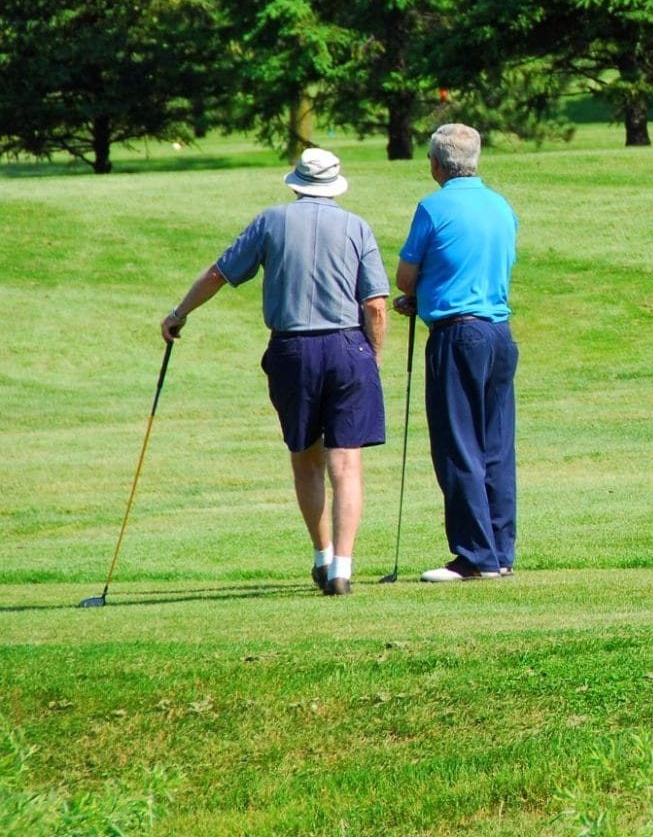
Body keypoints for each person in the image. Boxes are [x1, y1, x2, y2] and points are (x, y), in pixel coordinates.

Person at [161, 148, 388, 597]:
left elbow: (219, 274)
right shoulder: (357, 226)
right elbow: (376, 305)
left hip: (291, 350)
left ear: (296, 183)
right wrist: (371, 357)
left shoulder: (272, 221)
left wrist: (179, 313)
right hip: (347, 347)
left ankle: (322, 557)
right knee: (347, 462)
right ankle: (343, 566)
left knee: (306, 457)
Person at [394, 123, 520, 583]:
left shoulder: (433, 207)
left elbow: (405, 279)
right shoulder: (500, 206)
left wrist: (420, 295)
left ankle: (473, 556)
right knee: (496, 446)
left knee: (459, 445)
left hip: (457, 335)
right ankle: (500, 552)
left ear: (436, 164)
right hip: (499, 333)